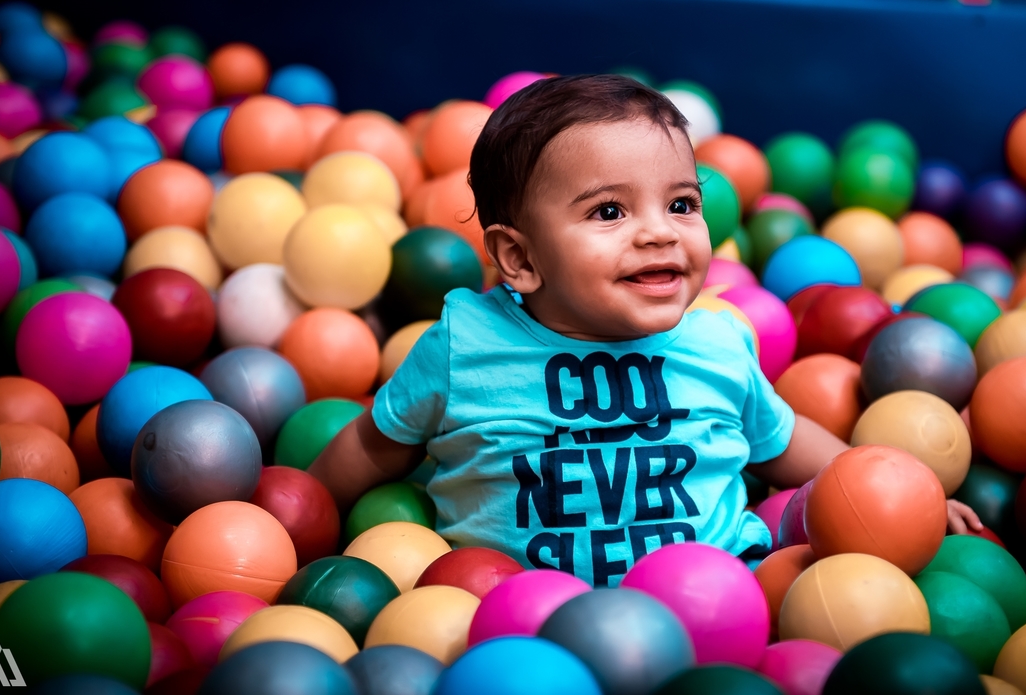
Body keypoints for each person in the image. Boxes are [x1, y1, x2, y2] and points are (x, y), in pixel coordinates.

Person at [310, 74, 981, 587]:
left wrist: (893, 497)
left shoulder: (716, 343)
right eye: (609, 210)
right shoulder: (464, 347)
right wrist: (299, 517)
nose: (660, 231)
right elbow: (375, 443)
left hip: (719, 607)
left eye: (682, 203)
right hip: (514, 627)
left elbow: (780, 441)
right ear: (519, 258)